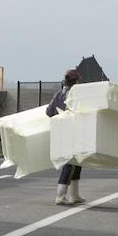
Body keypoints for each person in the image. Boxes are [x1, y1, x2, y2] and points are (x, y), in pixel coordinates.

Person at [47, 68, 84, 205]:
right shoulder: (75, 95)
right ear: (75, 81)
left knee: (77, 163)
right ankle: (61, 196)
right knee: (70, 162)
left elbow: (49, 111)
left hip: (60, 132)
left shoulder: (58, 94)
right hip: (73, 132)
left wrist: (60, 120)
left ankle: (75, 195)